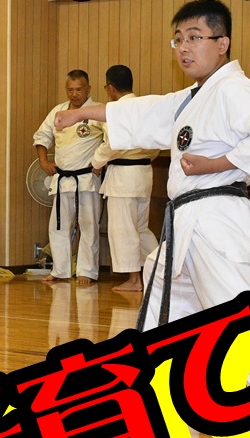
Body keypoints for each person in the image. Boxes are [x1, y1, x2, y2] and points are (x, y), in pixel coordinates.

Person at [54, 0, 250, 438]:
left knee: (243, 317)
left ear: (222, 42)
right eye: (178, 39)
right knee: (164, 302)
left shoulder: (234, 90)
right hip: (190, 222)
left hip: (217, 217)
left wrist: (215, 164)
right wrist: (82, 113)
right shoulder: (195, 97)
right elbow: (145, 112)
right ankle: (163, 398)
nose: (184, 48)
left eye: (195, 38)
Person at [90, 65, 160, 293]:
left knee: (124, 230)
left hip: (123, 178)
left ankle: (135, 279)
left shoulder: (116, 111)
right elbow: (156, 143)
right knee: (141, 229)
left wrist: (96, 161)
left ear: (110, 88)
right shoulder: (145, 108)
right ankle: (160, 274)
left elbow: (114, 144)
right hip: (144, 173)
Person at [33, 70, 104, 286]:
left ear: (88, 89)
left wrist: (101, 161)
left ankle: (87, 271)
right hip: (62, 179)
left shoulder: (97, 111)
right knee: (58, 227)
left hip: (87, 179)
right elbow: (41, 136)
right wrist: (43, 162)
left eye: (79, 89)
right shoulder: (58, 112)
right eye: (70, 90)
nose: (74, 94)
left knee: (88, 226)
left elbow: (113, 139)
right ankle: (60, 270)